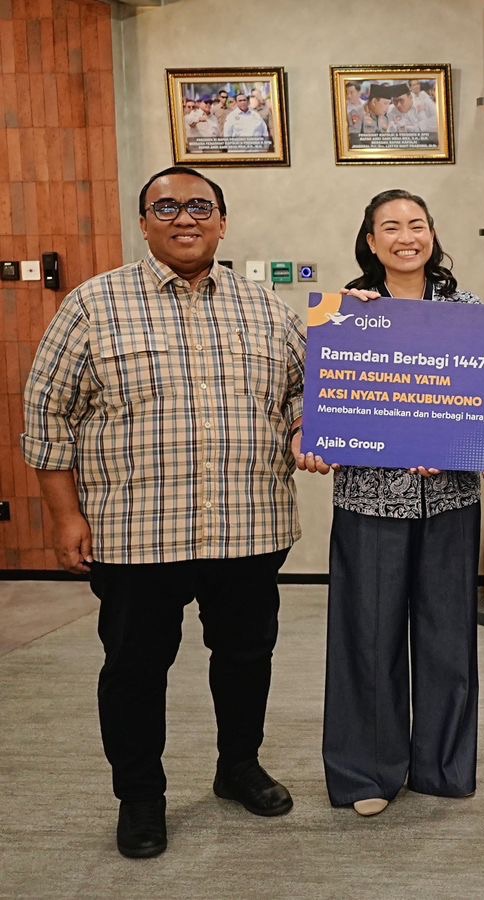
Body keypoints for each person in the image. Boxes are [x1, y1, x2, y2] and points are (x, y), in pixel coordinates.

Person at [21, 167, 305, 859]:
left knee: (245, 657)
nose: (185, 218)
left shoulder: (268, 309)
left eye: (200, 206)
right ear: (144, 222)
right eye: (167, 206)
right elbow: (46, 415)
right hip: (136, 532)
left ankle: (238, 766)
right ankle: (141, 796)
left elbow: (307, 393)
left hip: (248, 524)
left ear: (222, 222)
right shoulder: (93, 305)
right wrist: (65, 517)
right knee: (135, 669)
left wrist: (307, 429)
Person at [293, 190, 484, 817]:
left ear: (433, 234)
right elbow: (319, 395)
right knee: (368, 636)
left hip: (450, 499)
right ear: (371, 242)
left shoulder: (470, 314)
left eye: (416, 224)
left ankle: (442, 766)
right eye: (390, 227)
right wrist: (315, 432)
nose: (406, 236)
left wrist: (476, 445)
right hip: (369, 498)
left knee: (448, 637)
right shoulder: (346, 313)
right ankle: (366, 772)